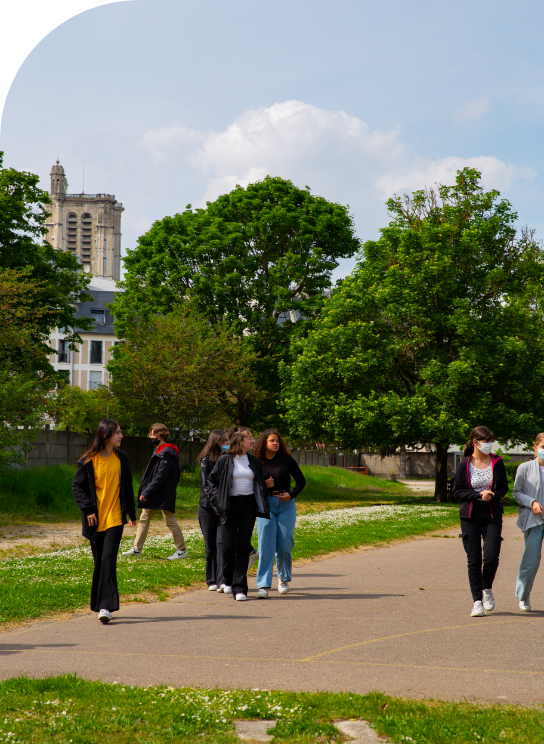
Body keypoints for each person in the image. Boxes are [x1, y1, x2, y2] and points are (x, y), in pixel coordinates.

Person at [72, 419, 136, 623]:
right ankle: (99, 603)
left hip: (115, 518)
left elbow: (127, 487)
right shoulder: (89, 460)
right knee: (99, 561)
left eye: (121, 431)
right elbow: (77, 487)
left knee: (108, 559)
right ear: (106, 435)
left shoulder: (121, 458)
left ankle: (106, 607)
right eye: (117, 432)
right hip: (95, 521)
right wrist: (88, 509)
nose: (121, 435)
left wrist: (132, 514)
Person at [452, 425, 508, 617]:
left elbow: (503, 487)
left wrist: (492, 495)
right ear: (476, 442)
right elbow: (456, 491)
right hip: (470, 516)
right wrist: (477, 495)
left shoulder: (497, 462)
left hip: (492, 515)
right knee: (474, 559)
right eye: (487, 441)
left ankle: (487, 588)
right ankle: (477, 602)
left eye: (491, 441)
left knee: (491, 557)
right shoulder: (464, 464)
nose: (490, 445)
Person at [207, 429, 270, 600]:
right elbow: (211, 482)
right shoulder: (225, 460)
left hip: (248, 506)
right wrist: (217, 503)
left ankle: (240, 588)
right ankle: (227, 579)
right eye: (249, 438)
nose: (252, 441)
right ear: (239, 441)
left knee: (243, 547)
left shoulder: (254, 461)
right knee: (227, 548)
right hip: (230, 506)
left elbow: (259, 482)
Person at [122, 423, 187, 560]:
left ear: (161, 435)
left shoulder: (168, 452)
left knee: (170, 520)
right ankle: (137, 548)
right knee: (144, 518)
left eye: (153, 435)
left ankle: (182, 550)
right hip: (154, 492)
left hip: (163, 493)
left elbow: (160, 476)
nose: (151, 437)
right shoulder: (158, 450)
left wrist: (147, 491)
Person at [254, 429, 306, 597]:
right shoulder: (257, 462)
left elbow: (301, 481)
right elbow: (251, 484)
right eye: (271, 441)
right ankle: (263, 585)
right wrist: (264, 484)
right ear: (264, 443)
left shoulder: (287, 460)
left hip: (286, 505)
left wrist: (291, 494)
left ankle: (283, 578)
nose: (275, 443)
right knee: (266, 545)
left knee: (285, 544)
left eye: (277, 440)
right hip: (265, 505)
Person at [513, 432, 544, 612]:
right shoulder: (525, 468)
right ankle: (523, 596)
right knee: (531, 561)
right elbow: (516, 492)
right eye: (543, 447)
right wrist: (532, 502)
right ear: (535, 447)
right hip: (533, 521)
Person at [197, 429, 228, 590]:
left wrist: (222, 507)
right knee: (210, 546)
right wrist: (215, 507)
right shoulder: (206, 461)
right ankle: (211, 580)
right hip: (207, 508)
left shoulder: (230, 460)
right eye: (224, 441)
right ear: (216, 442)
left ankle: (223, 579)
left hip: (223, 508)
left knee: (222, 543)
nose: (227, 444)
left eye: (228, 441)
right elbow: (206, 486)